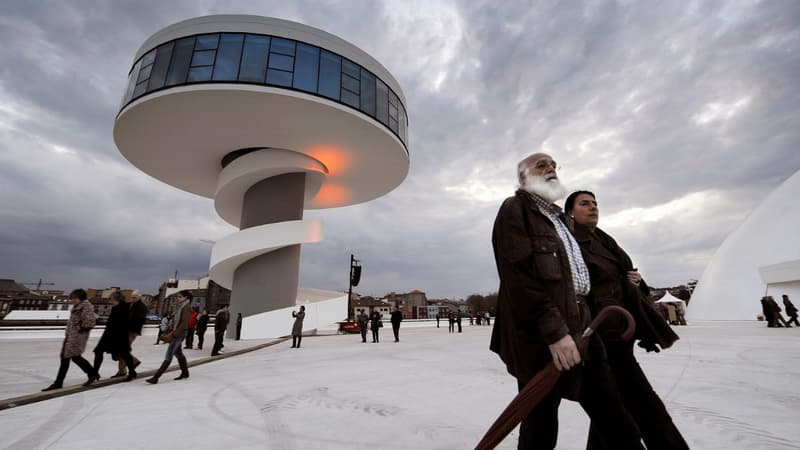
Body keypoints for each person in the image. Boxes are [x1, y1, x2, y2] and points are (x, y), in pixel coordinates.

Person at [490, 153, 643, 449]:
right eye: (541, 165)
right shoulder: (514, 209)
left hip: (585, 328)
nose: (551, 169)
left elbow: (587, 268)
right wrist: (555, 333)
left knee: (613, 414)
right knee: (540, 424)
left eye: (554, 166)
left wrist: (627, 281)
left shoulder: (563, 219)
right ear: (523, 177)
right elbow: (518, 278)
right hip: (543, 336)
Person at [566, 190, 688, 450]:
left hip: (620, 331)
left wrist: (634, 280)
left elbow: (627, 277)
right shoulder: (570, 245)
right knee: (643, 403)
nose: (593, 208)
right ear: (570, 213)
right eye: (585, 204)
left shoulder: (604, 240)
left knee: (613, 405)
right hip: (601, 332)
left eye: (595, 203)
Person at [43, 289, 100, 391]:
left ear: (81, 298)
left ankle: (58, 383)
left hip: (77, 337)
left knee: (69, 358)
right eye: (72, 298)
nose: (72, 300)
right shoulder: (79, 306)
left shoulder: (86, 307)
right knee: (72, 358)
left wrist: (79, 329)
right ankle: (92, 373)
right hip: (72, 336)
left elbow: (90, 322)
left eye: (74, 298)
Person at [146, 290, 192, 384]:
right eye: (177, 296)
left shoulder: (186, 307)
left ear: (186, 297)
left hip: (179, 333)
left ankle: (156, 377)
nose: (177, 298)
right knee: (178, 353)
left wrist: (175, 334)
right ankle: (185, 373)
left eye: (180, 297)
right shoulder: (180, 306)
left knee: (169, 354)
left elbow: (184, 323)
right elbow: (175, 320)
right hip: (177, 332)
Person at [93, 291, 137, 382]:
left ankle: (132, 372)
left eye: (111, 299)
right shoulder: (116, 308)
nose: (109, 301)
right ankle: (94, 374)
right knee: (99, 351)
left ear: (116, 299)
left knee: (125, 354)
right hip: (110, 335)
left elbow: (123, 324)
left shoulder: (124, 308)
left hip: (118, 336)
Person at [113, 290, 146, 378]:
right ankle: (122, 370)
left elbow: (139, 320)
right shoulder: (132, 305)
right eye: (132, 297)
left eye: (135, 297)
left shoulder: (141, 307)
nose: (132, 299)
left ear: (139, 297)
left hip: (131, 331)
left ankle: (132, 363)